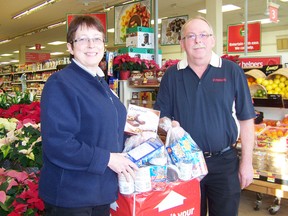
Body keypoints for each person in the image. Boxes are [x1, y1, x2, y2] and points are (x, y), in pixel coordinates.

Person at [154, 16, 255, 216]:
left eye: (203, 35)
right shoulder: (172, 76)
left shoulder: (232, 71)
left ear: (212, 40)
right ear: (182, 43)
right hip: (185, 164)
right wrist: (168, 125)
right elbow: (161, 117)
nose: (197, 40)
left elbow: (246, 118)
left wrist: (247, 162)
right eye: (190, 36)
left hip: (225, 162)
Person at [39, 15, 138, 216]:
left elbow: (105, 128)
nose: (91, 44)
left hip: (100, 191)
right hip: (72, 196)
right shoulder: (61, 83)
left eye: (97, 38)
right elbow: (59, 144)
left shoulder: (100, 82)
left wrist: (138, 135)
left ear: (104, 44)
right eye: (82, 39)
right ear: (70, 47)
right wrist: (108, 159)